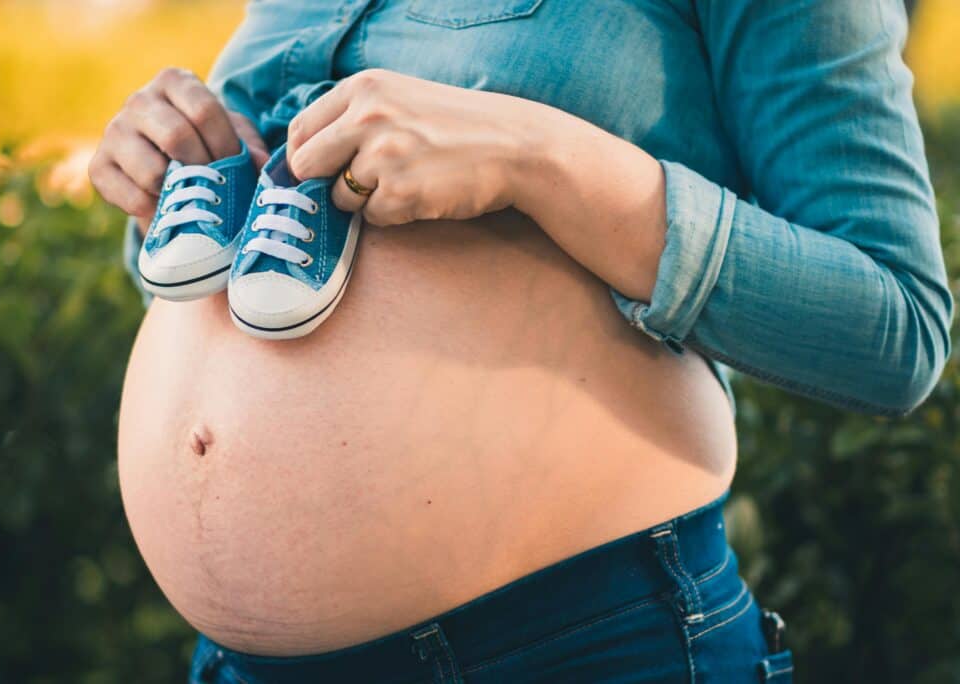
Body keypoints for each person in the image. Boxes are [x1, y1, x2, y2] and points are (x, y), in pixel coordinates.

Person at [89, 1, 953, 682]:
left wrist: (539, 158)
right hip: (241, 662)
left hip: (575, 648)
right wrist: (167, 175)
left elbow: (894, 331)